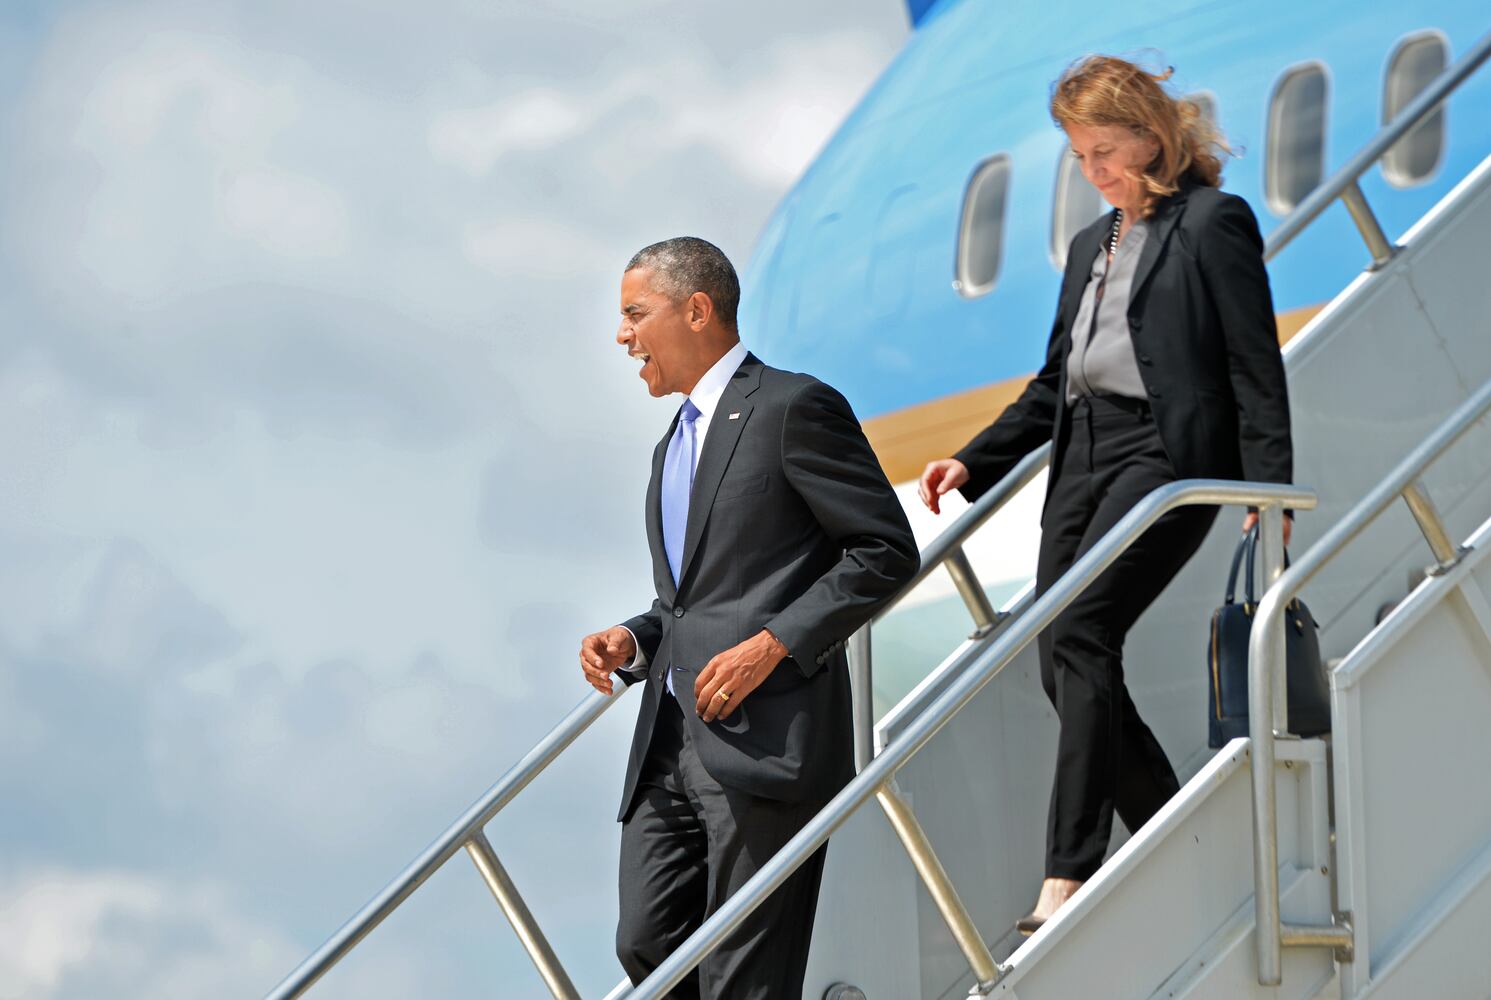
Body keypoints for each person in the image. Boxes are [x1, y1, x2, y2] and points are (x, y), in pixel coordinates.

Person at [918, 55, 1293, 933]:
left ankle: (1069, 869)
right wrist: (972, 461)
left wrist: (1267, 488)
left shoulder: (1211, 222)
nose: (1092, 171)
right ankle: (1177, 833)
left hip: (1161, 452)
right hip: (1080, 457)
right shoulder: (1094, 243)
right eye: (1080, 156)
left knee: (1085, 628)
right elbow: (1055, 382)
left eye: (1103, 152)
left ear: (1150, 140)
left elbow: (1252, 362)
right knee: (1059, 655)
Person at [579, 237, 918, 997]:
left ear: (697, 310)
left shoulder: (794, 407)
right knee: (647, 946)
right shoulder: (670, 445)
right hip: (669, 741)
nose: (622, 335)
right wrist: (634, 638)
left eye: (635, 313)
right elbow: (690, 601)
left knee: (746, 977)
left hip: (767, 737)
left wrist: (773, 644)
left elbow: (883, 551)